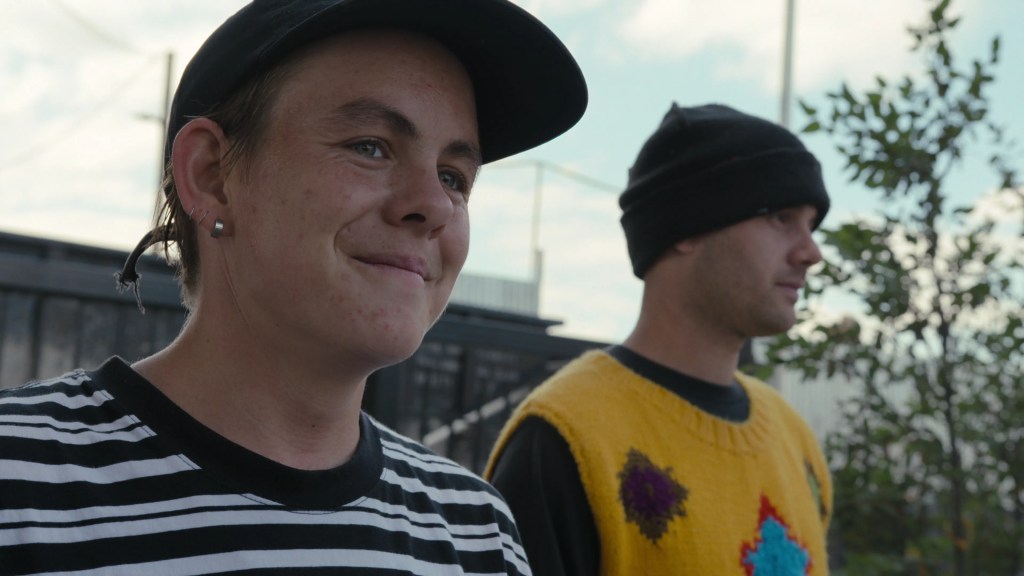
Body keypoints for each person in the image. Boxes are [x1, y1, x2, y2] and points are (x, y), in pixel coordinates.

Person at [0, 0, 586, 573]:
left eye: (455, 177)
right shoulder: (18, 480)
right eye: (370, 146)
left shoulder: (476, 529)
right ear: (212, 176)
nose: (433, 205)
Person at [485, 103, 833, 575]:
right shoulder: (566, 439)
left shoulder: (795, 440)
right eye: (780, 217)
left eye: (812, 224)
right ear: (686, 227)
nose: (811, 252)